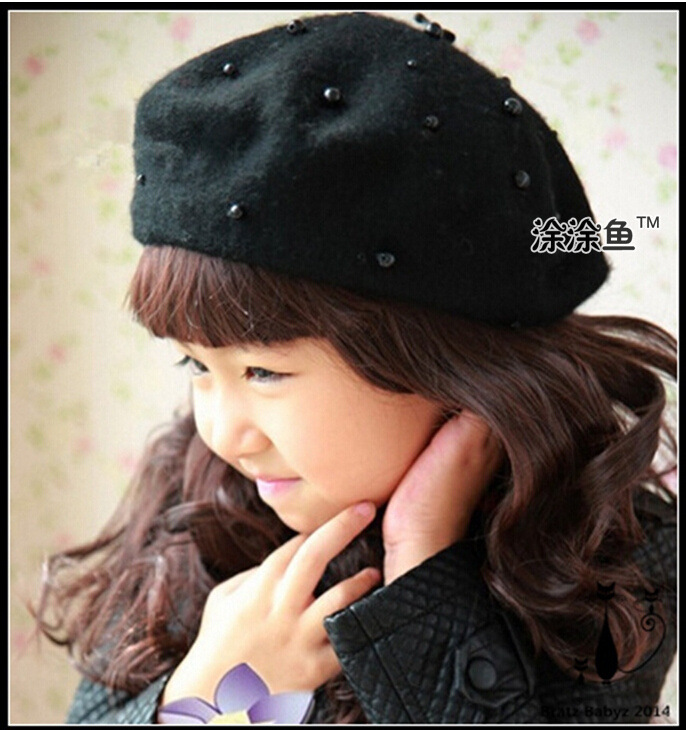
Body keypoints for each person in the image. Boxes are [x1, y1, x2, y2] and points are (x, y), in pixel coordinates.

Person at [35, 11, 676, 724]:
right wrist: (204, 699)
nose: (223, 432)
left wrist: (422, 572)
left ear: (449, 364)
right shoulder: (195, 503)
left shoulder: (606, 548)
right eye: (196, 363)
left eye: (264, 373)